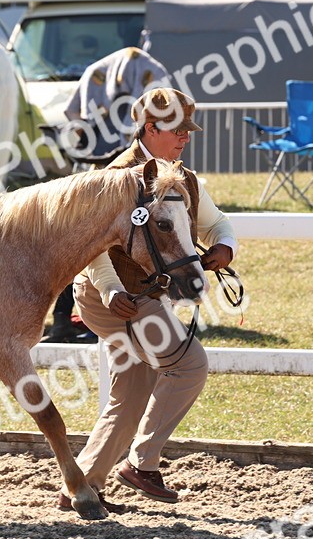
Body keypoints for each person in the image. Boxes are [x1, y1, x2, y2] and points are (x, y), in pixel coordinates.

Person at [58, 87, 238, 513]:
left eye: (188, 131)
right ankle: (142, 463)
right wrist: (109, 288)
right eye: (177, 131)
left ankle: (81, 487)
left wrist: (224, 247)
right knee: (189, 364)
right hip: (115, 298)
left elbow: (217, 223)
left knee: (133, 391)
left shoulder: (183, 177)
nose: (186, 138)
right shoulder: (116, 179)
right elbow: (93, 246)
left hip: (141, 296)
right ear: (151, 128)